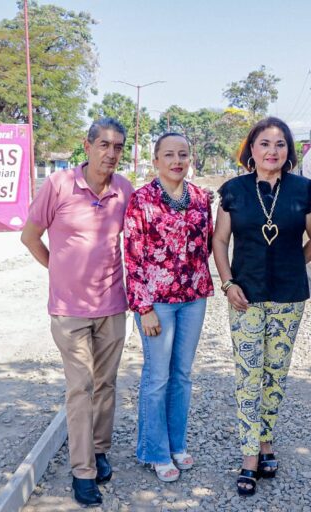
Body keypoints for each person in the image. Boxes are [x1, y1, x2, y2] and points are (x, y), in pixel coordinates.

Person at [21, 118, 134, 507]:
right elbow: (30, 236)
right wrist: (58, 269)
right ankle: (82, 471)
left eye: (118, 146)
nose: (111, 153)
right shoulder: (59, 185)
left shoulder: (124, 190)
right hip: (69, 311)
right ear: (86, 146)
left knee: (106, 384)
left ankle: (100, 450)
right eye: (103, 145)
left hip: (112, 305)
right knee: (80, 388)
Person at [213, 117, 311, 496]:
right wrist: (228, 283)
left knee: (275, 374)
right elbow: (220, 241)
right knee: (248, 375)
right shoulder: (233, 191)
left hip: (288, 296)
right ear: (252, 150)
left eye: (280, 144)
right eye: (264, 143)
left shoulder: (303, 189)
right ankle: (249, 457)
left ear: (288, 151)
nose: (272, 151)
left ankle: (266, 442)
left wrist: (294, 263)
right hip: (244, 297)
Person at [124, 133, 214, 482]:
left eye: (183, 154)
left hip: (193, 298)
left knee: (183, 375)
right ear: (156, 160)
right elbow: (132, 256)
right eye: (169, 155)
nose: (177, 160)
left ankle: (177, 444)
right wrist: (142, 307)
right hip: (156, 303)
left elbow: (205, 246)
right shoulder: (140, 200)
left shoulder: (200, 198)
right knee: (157, 376)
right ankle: (156, 450)